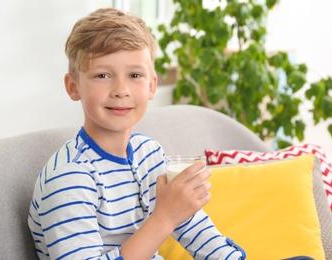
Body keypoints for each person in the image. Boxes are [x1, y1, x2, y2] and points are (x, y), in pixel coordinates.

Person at [28, 8, 246, 260]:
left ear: (151, 85)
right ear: (73, 86)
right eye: (102, 75)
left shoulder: (149, 153)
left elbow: (191, 225)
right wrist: (165, 217)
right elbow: (171, 215)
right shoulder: (70, 177)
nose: (121, 90)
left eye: (134, 75)